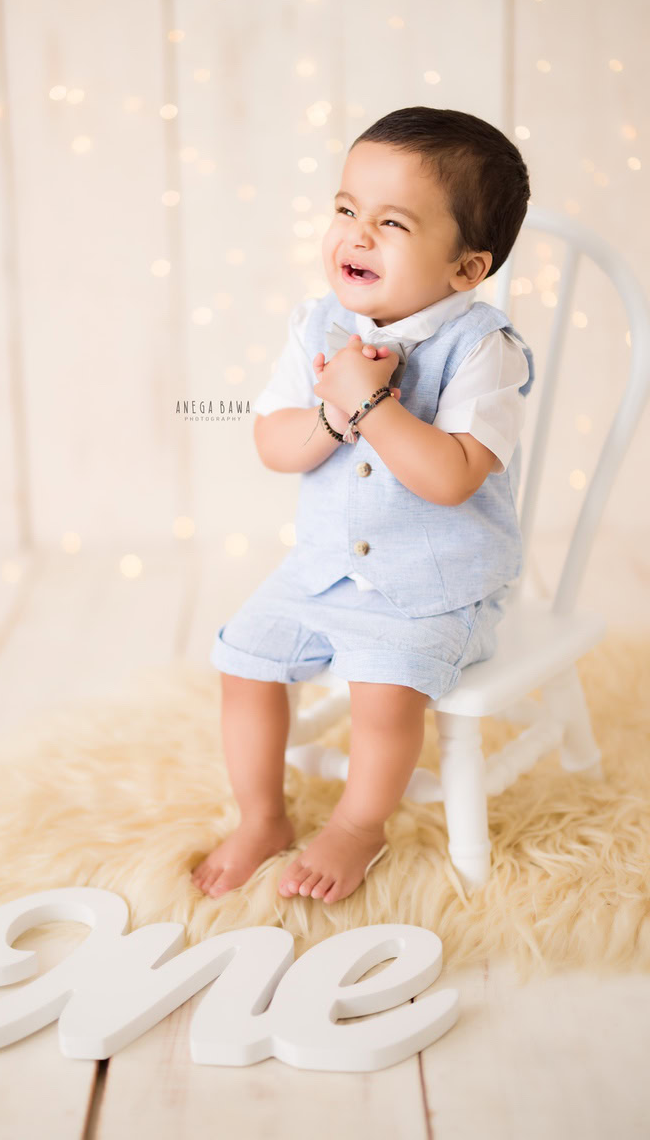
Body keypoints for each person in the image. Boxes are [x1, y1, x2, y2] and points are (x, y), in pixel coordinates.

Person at [191, 106, 535, 905]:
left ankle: (357, 823)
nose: (355, 234)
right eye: (346, 209)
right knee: (242, 660)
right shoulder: (317, 324)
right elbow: (273, 442)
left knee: (382, 694)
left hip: (432, 585)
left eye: (392, 222)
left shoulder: (486, 349)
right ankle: (262, 816)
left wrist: (377, 406)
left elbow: (452, 476)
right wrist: (333, 413)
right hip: (322, 569)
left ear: (465, 267)